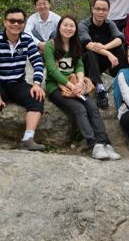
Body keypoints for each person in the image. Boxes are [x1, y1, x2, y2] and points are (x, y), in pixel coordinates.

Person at [44, 15, 121, 160]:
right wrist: (71, 86)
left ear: (75, 29)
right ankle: (94, 145)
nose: (68, 28)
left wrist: (79, 82)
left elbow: (79, 65)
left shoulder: (75, 44)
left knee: (92, 107)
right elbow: (52, 70)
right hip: (55, 87)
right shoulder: (50, 45)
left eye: (71, 26)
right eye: (65, 25)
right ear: (59, 27)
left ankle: (105, 143)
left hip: (74, 84)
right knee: (79, 109)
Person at [0, 7, 46, 150]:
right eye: (12, 21)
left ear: (23, 23)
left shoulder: (27, 40)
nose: (16, 24)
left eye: (20, 21)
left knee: (37, 98)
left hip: (18, 82)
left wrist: (36, 84)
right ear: (5, 22)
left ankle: (28, 139)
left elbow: (38, 63)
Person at [78, 0, 127, 109]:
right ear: (92, 9)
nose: (100, 12)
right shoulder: (83, 25)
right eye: (98, 9)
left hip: (100, 61)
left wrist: (105, 47)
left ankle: (119, 77)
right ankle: (100, 88)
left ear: (108, 11)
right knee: (91, 52)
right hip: (86, 63)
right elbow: (88, 44)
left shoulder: (109, 24)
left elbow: (120, 38)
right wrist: (109, 54)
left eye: (104, 9)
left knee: (119, 47)